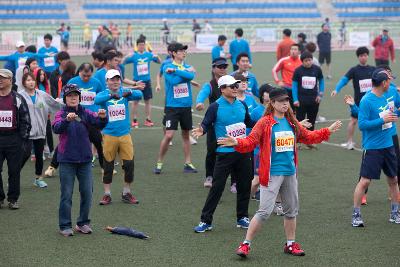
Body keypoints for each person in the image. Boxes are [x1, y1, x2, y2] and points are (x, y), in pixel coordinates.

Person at [215, 87, 341, 258]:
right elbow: (251, 141)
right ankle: (245, 244)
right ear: (272, 103)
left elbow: (308, 137)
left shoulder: (292, 122)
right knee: (264, 212)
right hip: (272, 173)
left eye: (286, 101)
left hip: (290, 173)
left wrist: (328, 130)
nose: (285, 104)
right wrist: (237, 141)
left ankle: (290, 244)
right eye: (281, 101)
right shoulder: (265, 122)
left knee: (291, 211)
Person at [192, 75, 256, 233]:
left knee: (244, 185)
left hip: (243, 151)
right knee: (217, 187)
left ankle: (242, 217)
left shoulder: (242, 104)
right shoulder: (215, 106)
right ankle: (205, 221)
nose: (235, 88)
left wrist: (266, 123)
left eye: (236, 85)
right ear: (222, 89)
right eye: (231, 86)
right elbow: (206, 123)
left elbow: (249, 123)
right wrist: (202, 130)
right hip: (224, 154)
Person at [53, 84, 107, 236]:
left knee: (87, 193)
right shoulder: (61, 113)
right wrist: (66, 121)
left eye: (75, 95)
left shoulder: (85, 112)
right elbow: (56, 128)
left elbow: (98, 124)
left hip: (84, 160)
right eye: (70, 95)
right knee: (66, 194)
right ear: (65, 98)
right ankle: (64, 225)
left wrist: (103, 117)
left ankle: (83, 223)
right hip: (67, 160)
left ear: (79, 97)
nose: (73, 97)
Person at [351, 68, 400, 227]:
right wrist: (383, 120)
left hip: (389, 146)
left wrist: (393, 116)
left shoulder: (387, 95)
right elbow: (363, 125)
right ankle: (356, 215)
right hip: (373, 148)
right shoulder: (366, 101)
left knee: (393, 180)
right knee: (365, 182)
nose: (390, 82)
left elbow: (391, 113)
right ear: (383, 83)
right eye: (388, 80)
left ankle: (395, 213)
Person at [94, 69, 143, 205]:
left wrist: (130, 91)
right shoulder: (104, 94)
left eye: (117, 79)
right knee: (108, 165)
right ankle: (107, 194)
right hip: (109, 135)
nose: (115, 82)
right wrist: (112, 95)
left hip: (125, 135)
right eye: (112, 79)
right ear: (107, 82)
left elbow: (139, 94)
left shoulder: (124, 92)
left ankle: (126, 192)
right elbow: (97, 99)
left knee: (129, 165)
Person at [154, 43, 197, 174]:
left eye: (184, 51)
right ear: (173, 53)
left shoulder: (186, 66)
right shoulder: (167, 66)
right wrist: (184, 73)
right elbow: (173, 81)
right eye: (180, 51)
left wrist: (177, 71)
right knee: (169, 135)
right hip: (172, 107)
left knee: (185, 134)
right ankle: (159, 162)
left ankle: (188, 163)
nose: (184, 53)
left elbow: (191, 76)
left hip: (186, 106)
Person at [18, 72, 62, 188]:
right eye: (28, 80)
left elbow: (54, 103)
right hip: (26, 132)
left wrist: (66, 102)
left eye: (32, 80)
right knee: (25, 154)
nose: (31, 82)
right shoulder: (19, 96)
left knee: (39, 155)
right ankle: (14, 176)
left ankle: (38, 178)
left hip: (41, 131)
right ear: (24, 83)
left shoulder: (42, 94)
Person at [331, 46, 375, 150]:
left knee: (371, 122)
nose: (363, 57)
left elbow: (384, 80)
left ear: (367, 56)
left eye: (365, 55)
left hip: (372, 102)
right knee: (353, 121)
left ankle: (370, 142)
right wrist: (336, 89)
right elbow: (344, 80)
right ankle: (349, 142)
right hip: (358, 102)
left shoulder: (373, 69)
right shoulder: (354, 70)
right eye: (361, 56)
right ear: (358, 57)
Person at [0, 69, 31, 209]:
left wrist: (22, 139)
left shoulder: (17, 98)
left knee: (14, 171)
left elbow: (26, 120)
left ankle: (13, 199)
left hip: (14, 139)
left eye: (3, 78)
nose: (0, 80)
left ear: (10, 80)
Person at [195, 57, 228, 187]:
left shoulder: (230, 82)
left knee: (232, 151)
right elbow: (203, 93)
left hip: (230, 124)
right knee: (212, 151)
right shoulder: (210, 85)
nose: (222, 69)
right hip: (214, 125)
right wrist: (199, 102)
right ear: (213, 69)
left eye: (224, 66)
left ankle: (233, 180)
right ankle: (209, 176)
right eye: (220, 67)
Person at [68, 63, 104, 168]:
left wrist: (99, 111)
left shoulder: (96, 83)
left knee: (97, 140)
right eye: (84, 75)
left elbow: (101, 97)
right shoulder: (73, 82)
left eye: (88, 75)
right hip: (77, 116)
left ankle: (97, 161)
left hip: (92, 117)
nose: (86, 78)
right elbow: (65, 97)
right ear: (79, 72)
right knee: (78, 138)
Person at [124, 38, 161, 128]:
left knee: (147, 101)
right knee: (135, 101)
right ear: (137, 46)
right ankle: (134, 120)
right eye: (140, 45)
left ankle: (148, 119)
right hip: (136, 82)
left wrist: (157, 56)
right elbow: (123, 62)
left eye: (143, 44)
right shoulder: (134, 56)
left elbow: (159, 62)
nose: (141, 46)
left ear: (145, 45)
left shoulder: (148, 55)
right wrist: (126, 56)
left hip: (147, 81)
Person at [292, 51, 325, 133]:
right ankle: (299, 140)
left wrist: (320, 95)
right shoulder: (298, 71)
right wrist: (295, 99)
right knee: (300, 121)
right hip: (301, 101)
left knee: (312, 121)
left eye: (310, 60)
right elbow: (294, 86)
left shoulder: (317, 69)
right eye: (306, 61)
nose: (308, 62)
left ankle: (310, 140)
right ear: (302, 61)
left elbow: (321, 81)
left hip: (314, 100)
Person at [272, 44, 302, 108]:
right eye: (292, 49)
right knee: (286, 108)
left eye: (295, 49)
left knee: (299, 109)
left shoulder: (302, 60)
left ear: (299, 51)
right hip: (286, 89)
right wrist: (278, 81)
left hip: (299, 89)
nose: (293, 51)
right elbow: (274, 70)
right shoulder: (284, 60)